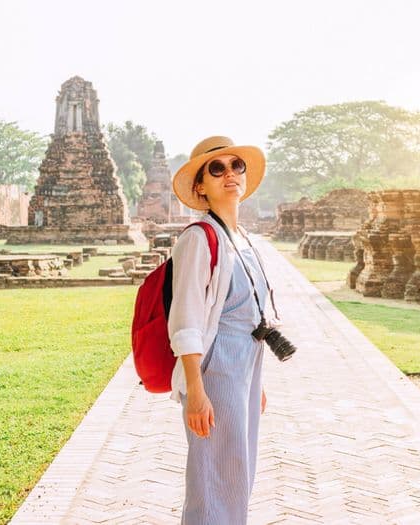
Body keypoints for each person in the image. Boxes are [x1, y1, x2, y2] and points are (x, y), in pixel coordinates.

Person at [167, 135, 275, 524]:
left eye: (236, 166)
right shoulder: (200, 239)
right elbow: (186, 320)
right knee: (211, 480)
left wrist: (254, 380)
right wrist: (195, 391)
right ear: (201, 186)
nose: (229, 174)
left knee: (236, 474)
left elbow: (249, 314)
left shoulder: (242, 239)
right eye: (217, 168)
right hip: (214, 372)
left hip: (244, 368)